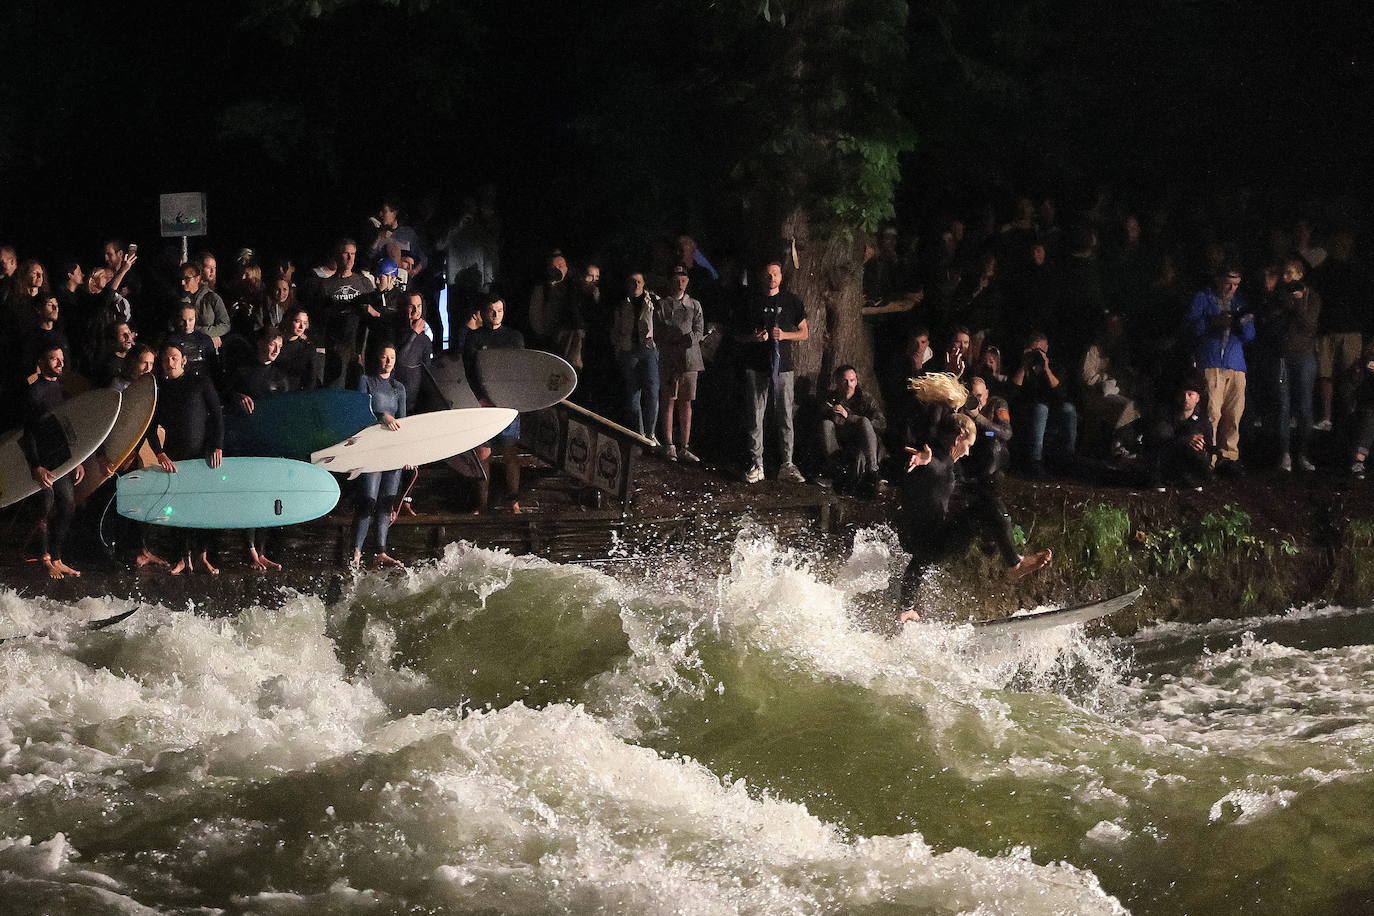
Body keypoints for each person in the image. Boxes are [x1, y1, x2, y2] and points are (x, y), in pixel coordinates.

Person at [896, 413, 1051, 622]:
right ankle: (1014, 564)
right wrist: (925, 461)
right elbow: (934, 465)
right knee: (989, 506)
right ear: (959, 437)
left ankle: (906, 607)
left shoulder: (944, 456)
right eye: (968, 444)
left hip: (923, 538)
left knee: (983, 507)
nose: (968, 452)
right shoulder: (937, 461)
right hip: (932, 541)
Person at [145, 343, 224, 575]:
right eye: (165, 359)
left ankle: (202, 557)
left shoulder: (200, 382)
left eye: (174, 358)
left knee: (202, 507)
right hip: (175, 456)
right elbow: (149, 427)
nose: (170, 363)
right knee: (177, 509)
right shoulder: (161, 390)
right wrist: (159, 453)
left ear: (183, 361)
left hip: (202, 455)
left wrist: (217, 446)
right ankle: (182, 558)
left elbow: (217, 416)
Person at [737, 261, 809, 483]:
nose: (772, 278)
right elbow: (739, 336)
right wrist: (754, 338)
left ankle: (787, 463)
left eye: (775, 274)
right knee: (755, 416)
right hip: (757, 366)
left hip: (783, 367)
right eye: (768, 275)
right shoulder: (752, 302)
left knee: (785, 415)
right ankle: (756, 463)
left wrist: (784, 335)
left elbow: (804, 333)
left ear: (781, 276)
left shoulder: (792, 301)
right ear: (762, 277)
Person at [22, 346, 85, 579]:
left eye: (61, 359)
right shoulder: (33, 392)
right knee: (45, 508)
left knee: (67, 507)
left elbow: (65, 429)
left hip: (62, 461)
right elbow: (27, 433)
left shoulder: (59, 390)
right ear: (41, 362)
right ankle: (44, 559)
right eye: (54, 359)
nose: (60, 363)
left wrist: (77, 460)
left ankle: (57, 557)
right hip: (43, 462)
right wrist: (35, 465)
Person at [1186, 263, 1255, 474]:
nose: (1231, 289)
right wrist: (1213, 322)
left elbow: (1250, 334)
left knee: (1234, 414)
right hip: (1211, 361)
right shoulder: (1203, 298)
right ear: (1218, 280)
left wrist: (1239, 323)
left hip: (1235, 364)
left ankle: (1229, 457)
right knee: (1212, 413)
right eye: (1228, 284)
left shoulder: (1241, 303)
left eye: (1236, 284)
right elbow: (1191, 326)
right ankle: (1208, 458)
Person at [463, 295, 525, 511]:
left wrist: (509, 399)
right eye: (492, 310)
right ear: (483, 312)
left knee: (510, 453)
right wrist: (482, 398)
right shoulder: (474, 338)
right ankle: (482, 503)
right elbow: (470, 372)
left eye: (499, 309)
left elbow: (518, 370)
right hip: (484, 405)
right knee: (483, 454)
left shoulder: (514, 337)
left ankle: (513, 501)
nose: (496, 314)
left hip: (508, 405)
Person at [350, 345, 408, 568]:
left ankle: (381, 551)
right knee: (368, 499)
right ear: (377, 359)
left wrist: (407, 453)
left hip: (391, 449)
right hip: (371, 447)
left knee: (386, 502)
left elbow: (404, 421)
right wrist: (381, 416)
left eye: (392, 357)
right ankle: (356, 551)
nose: (388, 361)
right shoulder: (366, 380)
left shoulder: (399, 387)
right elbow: (359, 412)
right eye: (384, 357)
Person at [1265, 255, 1321, 471]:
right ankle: (1284, 455)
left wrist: (1297, 303)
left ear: (1300, 274)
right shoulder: (1279, 295)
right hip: (1282, 357)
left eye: (1290, 273)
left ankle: (1303, 454)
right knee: (1283, 405)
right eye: (1284, 273)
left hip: (1304, 357)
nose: (1286, 277)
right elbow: (1272, 321)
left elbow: (1308, 325)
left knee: (1305, 406)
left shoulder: (1312, 297)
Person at [1010, 330, 1077, 477]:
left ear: (1046, 349)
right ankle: (1035, 460)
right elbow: (1012, 392)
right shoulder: (1021, 365)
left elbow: (1061, 394)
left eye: (1040, 350)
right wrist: (1024, 365)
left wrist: (1046, 368)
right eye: (1033, 350)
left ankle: (1068, 458)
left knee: (1069, 409)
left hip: (1052, 408)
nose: (1037, 354)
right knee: (1041, 409)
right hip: (1028, 409)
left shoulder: (1055, 366)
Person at [655, 266, 705, 462]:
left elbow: (699, 329)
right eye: (677, 278)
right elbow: (659, 330)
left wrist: (687, 339)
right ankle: (668, 444)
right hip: (669, 359)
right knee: (668, 400)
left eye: (684, 278)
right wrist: (673, 340)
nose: (680, 282)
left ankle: (685, 445)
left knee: (686, 402)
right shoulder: (662, 305)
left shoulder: (694, 305)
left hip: (690, 360)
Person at [317, 239, 377, 389]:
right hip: (336, 348)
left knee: (358, 388)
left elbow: (374, 316)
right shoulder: (326, 285)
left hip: (358, 346)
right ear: (338, 256)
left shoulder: (364, 283)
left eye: (353, 254)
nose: (350, 258)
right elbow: (320, 318)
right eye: (346, 253)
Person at [818, 364, 885, 496]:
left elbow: (881, 423)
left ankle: (873, 471)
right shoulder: (832, 399)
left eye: (852, 380)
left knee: (864, 421)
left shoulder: (865, 399)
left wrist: (850, 417)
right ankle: (833, 469)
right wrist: (830, 412)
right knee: (825, 424)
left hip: (863, 442)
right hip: (842, 442)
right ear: (837, 382)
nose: (849, 384)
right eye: (845, 381)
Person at [612, 272, 661, 440]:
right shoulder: (622, 304)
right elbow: (617, 329)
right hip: (629, 351)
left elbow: (662, 324)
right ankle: (638, 433)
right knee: (633, 394)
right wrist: (618, 349)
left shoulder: (653, 302)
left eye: (639, 282)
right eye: (632, 282)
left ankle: (651, 432)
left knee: (653, 392)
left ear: (644, 283)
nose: (636, 285)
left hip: (648, 350)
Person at [1143, 377, 1213, 490]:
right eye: (1183, 394)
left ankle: (1190, 478)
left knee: (1197, 442)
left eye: (1190, 394)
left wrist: (1202, 451)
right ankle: (1158, 479)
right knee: (1163, 433)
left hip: (1186, 463)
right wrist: (1184, 440)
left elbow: (1209, 447)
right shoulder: (1165, 416)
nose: (1186, 398)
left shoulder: (1203, 422)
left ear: (1198, 398)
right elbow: (1155, 441)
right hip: (1166, 460)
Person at [393, 291, 433, 413]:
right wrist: (414, 333)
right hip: (395, 391)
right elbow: (399, 360)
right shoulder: (393, 331)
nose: (416, 310)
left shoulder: (425, 337)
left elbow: (427, 368)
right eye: (412, 306)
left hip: (415, 393)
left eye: (419, 306)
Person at [276, 307, 320, 390]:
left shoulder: (308, 348)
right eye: (297, 321)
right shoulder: (274, 344)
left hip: (297, 394)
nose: (301, 326)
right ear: (287, 320)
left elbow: (311, 380)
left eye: (305, 323)